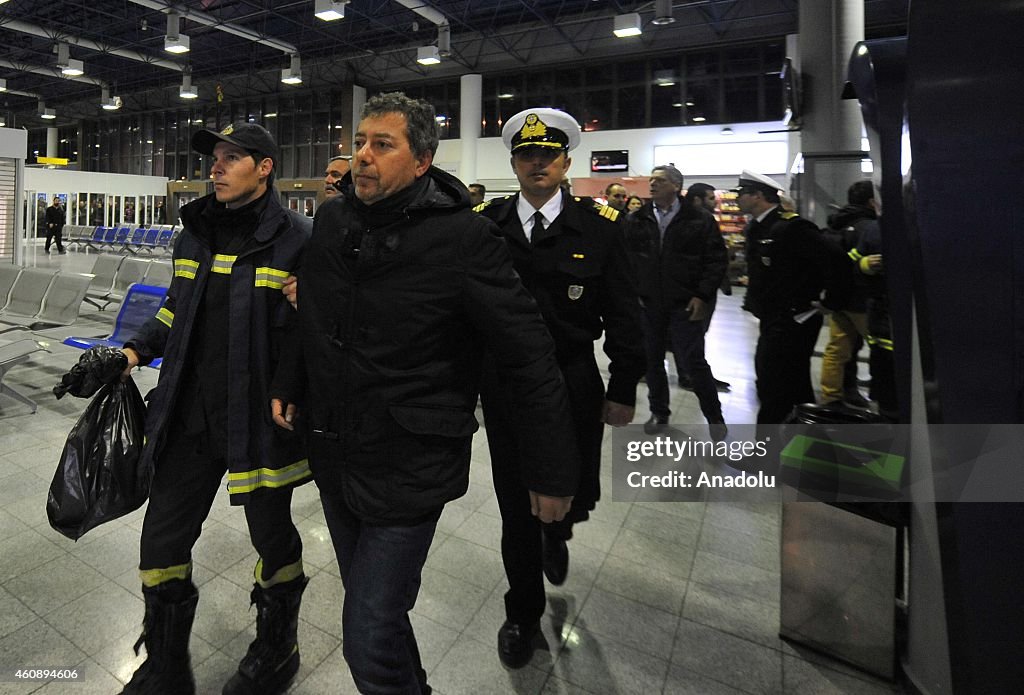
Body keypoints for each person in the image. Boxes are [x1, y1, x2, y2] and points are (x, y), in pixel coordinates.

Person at [270, 92, 580, 694]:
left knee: (365, 634)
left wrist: (550, 469)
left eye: (381, 145)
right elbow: (313, 312)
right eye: (359, 142)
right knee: (381, 618)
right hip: (335, 452)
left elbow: (529, 357)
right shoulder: (334, 220)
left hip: (410, 461)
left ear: (421, 160)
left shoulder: (465, 240)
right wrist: (289, 379)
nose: (362, 156)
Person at [73, 122, 314, 695]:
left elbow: (322, 333)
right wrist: (126, 353)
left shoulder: (300, 239)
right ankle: (166, 664)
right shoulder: (193, 236)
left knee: (273, 537)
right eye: (215, 158)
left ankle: (279, 645)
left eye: (233, 158)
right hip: (188, 415)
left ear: (264, 167)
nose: (217, 167)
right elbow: (173, 315)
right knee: (161, 538)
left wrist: (317, 304)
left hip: (261, 422)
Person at [474, 108, 646, 669]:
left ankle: (560, 529)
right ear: (515, 163)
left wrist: (622, 385)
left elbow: (624, 311)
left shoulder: (600, 224)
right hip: (504, 385)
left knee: (570, 491)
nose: (538, 163)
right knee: (512, 504)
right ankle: (522, 612)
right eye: (527, 155)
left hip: (573, 380)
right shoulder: (487, 223)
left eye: (548, 155)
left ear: (567, 161)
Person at [736, 170, 851, 424]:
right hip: (772, 316)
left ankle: (765, 454)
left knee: (772, 385)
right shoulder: (757, 228)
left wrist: (831, 301)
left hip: (793, 319)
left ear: (758, 196)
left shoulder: (791, 227)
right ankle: (808, 446)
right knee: (795, 386)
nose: (737, 199)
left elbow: (837, 259)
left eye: (742, 193)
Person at [625, 166, 728, 441]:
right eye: (651, 180)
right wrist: (634, 291)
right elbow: (628, 259)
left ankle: (714, 417)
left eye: (659, 180)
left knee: (694, 362)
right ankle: (660, 412)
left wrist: (702, 295)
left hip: (685, 303)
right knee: (653, 361)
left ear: (676, 185)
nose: (652, 184)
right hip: (649, 303)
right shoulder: (638, 219)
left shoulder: (699, 220)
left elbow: (716, 260)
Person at [819, 180, 877, 407]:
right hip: (864, 301)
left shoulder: (836, 224)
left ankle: (831, 396)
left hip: (839, 299)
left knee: (837, 350)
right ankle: (885, 397)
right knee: (881, 349)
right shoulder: (870, 227)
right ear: (872, 201)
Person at [675, 182, 731, 392]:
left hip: (703, 291)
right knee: (690, 335)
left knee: (696, 335)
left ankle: (694, 373)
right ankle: (690, 375)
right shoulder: (689, 223)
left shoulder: (704, 221)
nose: (715, 201)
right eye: (710, 198)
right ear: (697, 200)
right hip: (692, 292)